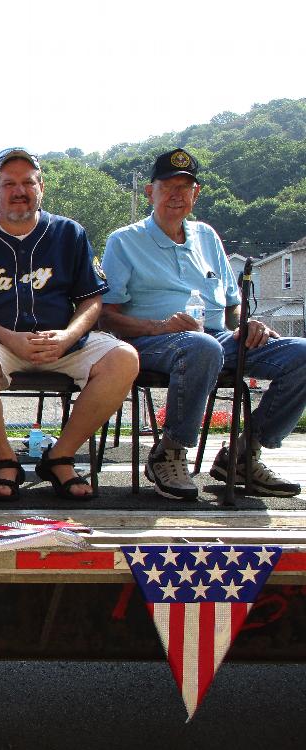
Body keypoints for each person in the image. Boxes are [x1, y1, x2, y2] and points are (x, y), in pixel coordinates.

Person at [101, 148, 306, 499]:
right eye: (168, 186)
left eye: (185, 187)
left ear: (196, 194)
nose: (177, 195)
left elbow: (231, 307)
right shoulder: (124, 240)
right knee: (202, 347)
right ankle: (169, 452)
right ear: (150, 192)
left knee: (302, 353)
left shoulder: (207, 236)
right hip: (153, 341)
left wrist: (248, 325)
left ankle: (243, 455)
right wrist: (158, 326)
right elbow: (107, 316)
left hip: (215, 338)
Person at [0, 148, 138, 500]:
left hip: (62, 340)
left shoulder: (70, 233)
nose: (19, 190)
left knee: (124, 357)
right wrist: (8, 338)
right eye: (9, 183)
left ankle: (60, 456)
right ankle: (5, 461)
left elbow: (92, 299)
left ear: (41, 187)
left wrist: (69, 335)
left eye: (27, 182)